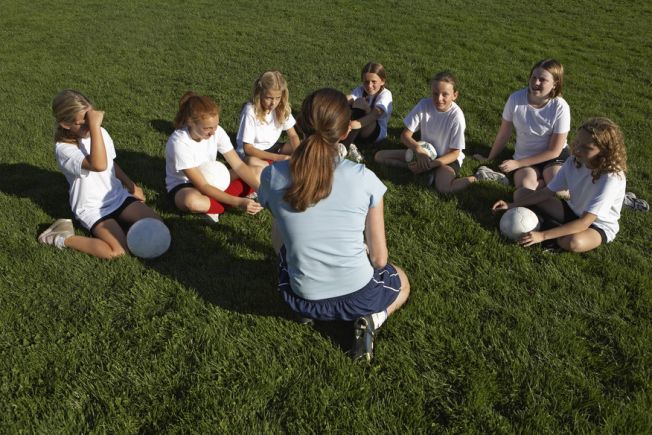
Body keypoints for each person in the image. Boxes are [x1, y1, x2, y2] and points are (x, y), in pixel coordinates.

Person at [258, 88, 410, 361]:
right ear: (343, 133)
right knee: (402, 280)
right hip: (357, 295)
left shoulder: (272, 176)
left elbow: (281, 232)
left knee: (281, 219)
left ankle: (307, 313)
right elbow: (379, 259)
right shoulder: (363, 178)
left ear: (301, 124)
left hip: (299, 295)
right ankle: (373, 320)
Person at [38, 89, 162, 259]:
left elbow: (110, 163)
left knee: (156, 224)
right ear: (65, 124)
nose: (90, 125)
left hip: (117, 196)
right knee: (118, 250)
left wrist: (131, 185)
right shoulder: (64, 149)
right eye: (84, 122)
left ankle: (120, 226)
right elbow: (99, 164)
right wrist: (95, 127)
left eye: (91, 118)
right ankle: (63, 237)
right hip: (93, 208)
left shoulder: (100, 132)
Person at [492, 117, 627, 253]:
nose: (577, 150)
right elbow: (546, 192)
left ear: (604, 152)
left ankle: (550, 230)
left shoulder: (611, 178)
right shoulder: (574, 161)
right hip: (573, 210)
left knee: (573, 242)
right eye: (577, 142)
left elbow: (585, 222)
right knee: (521, 193)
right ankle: (553, 227)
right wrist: (512, 205)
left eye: (586, 147)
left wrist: (542, 236)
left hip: (596, 225)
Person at [165, 91, 263, 222]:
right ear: (190, 122)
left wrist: (261, 190)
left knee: (258, 171)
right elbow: (202, 186)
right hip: (186, 185)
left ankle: (214, 206)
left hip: (213, 178)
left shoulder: (217, 131)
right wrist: (239, 202)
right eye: (207, 128)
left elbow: (238, 165)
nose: (213, 132)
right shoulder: (179, 142)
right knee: (192, 201)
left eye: (215, 126)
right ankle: (224, 203)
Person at [474, 58, 571, 190]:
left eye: (543, 79)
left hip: (553, 157)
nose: (536, 82)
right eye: (533, 77)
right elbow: (504, 133)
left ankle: (547, 184)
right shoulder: (516, 99)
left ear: (555, 83)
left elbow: (554, 151)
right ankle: (542, 186)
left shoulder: (560, 107)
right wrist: (489, 158)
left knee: (559, 190)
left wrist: (518, 163)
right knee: (526, 187)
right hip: (525, 155)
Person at [374, 71, 478, 193]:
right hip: (424, 152)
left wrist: (431, 164)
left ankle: (476, 178)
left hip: (446, 159)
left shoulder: (456, 116)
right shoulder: (424, 105)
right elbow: (405, 135)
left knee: (444, 188)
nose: (439, 99)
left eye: (445, 94)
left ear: (455, 95)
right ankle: (419, 169)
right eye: (435, 93)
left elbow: (455, 153)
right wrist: (418, 150)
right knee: (379, 156)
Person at [235, 71, 300, 170]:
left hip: (273, 147)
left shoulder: (282, 108)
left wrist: (299, 154)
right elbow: (248, 149)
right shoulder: (250, 111)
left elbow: (293, 135)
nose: (273, 103)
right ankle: (274, 168)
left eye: (277, 98)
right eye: (269, 98)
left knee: (306, 148)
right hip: (252, 153)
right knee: (254, 162)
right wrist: (279, 158)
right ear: (259, 94)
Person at [340, 62, 393, 163]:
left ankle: (344, 147)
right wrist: (332, 101)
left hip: (375, 132)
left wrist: (355, 124)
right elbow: (349, 99)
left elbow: (375, 114)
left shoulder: (386, 94)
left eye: (374, 82)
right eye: (366, 82)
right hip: (359, 128)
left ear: (382, 81)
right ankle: (350, 143)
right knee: (347, 105)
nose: (369, 86)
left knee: (360, 103)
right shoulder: (361, 89)